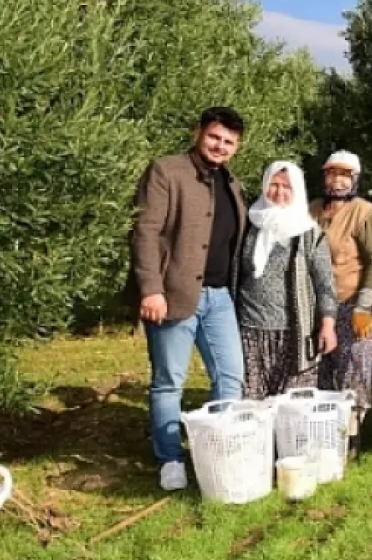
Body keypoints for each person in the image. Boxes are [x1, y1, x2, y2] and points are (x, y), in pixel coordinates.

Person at [126, 106, 248, 491]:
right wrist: (151, 288)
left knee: (231, 377)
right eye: (214, 137)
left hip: (219, 297)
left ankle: (219, 450)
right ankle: (170, 459)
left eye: (229, 142)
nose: (220, 146)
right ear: (199, 132)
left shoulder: (232, 183)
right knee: (169, 382)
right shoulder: (166, 171)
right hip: (172, 294)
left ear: (237, 148)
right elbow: (145, 231)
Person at [233, 161, 338, 399]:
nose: (279, 192)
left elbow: (325, 285)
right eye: (274, 184)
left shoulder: (309, 233)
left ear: (298, 191)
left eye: (287, 187)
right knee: (252, 405)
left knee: (292, 407)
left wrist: (328, 325)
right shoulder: (249, 224)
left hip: (295, 334)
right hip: (250, 330)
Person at [310, 151, 372, 457]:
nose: (337, 180)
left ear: (354, 179)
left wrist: (364, 306)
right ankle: (324, 434)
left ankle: (352, 438)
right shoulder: (312, 209)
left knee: (354, 370)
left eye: (344, 175)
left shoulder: (365, 212)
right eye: (332, 174)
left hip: (353, 301)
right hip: (317, 304)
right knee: (321, 369)